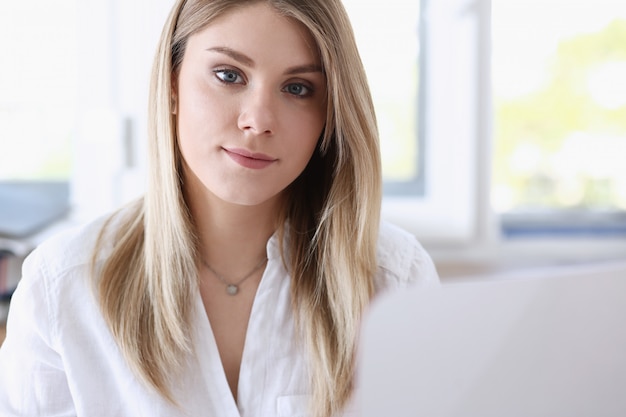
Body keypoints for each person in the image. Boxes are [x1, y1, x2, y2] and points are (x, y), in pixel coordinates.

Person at [0, 0, 439, 416]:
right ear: (172, 83)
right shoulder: (60, 289)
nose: (258, 119)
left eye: (298, 88)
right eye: (229, 75)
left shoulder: (395, 281)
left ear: (329, 113)